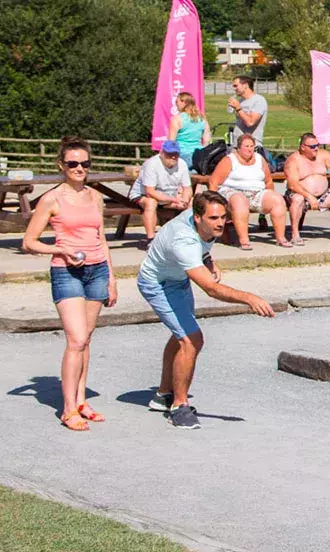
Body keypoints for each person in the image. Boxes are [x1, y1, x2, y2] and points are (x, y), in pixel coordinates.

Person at [138, 191, 277, 430]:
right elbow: (211, 289)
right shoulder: (183, 240)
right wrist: (249, 298)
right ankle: (179, 407)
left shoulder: (203, 225)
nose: (220, 222)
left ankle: (163, 395)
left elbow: (201, 248)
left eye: (223, 217)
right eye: (214, 218)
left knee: (182, 334)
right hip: (157, 284)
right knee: (192, 339)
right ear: (197, 217)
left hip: (178, 278)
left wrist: (207, 259)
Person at [21, 137, 118, 431]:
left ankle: (80, 400)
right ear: (61, 165)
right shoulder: (52, 199)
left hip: (97, 270)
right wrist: (61, 250)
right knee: (75, 340)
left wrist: (112, 279)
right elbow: (29, 242)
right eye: (73, 163)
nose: (79, 168)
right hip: (67, 272)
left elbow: (101, 238)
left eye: (85, 163)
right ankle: (67, 409)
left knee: (86, 339)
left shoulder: (95, 197)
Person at [208, 134, 288, 249]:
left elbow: (268, 181)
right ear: (238, 148)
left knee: (278, 200)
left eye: (252, 146)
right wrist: (213, 202)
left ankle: (281, 238)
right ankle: (244, 240)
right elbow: (214, 182)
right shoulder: (229, 160)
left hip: (256, 193)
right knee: (240, 201)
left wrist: (270, 194)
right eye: (246, 146)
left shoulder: (260, 159)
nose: (249, 149)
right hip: (232, 192)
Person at [283, 133, 330, 244]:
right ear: (303, 147)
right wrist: (309, 196)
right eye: (312, 146)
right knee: (298, 199)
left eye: (318, 145)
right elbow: (293, 184)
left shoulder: (323, 155)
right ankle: (295, 235)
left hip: (323, 195)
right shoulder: (293, 160)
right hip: (300, 194)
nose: (316, 148)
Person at [128, 140, 194, 244]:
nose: (173, 157)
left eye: (175, 154)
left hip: (169, 197)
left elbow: (187, 188)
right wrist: (174, 199)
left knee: (193, 203)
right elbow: (150, 192)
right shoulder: (151, 164)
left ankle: (189, 236)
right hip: (142, 195)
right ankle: (151, 239)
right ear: (162, 153)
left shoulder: (182, 164)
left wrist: (184, 200)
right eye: (169, 154)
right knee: (151, 202)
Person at [165, 91, 210, 162]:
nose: (176, 104)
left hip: (181, 155)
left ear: (184, 102)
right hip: (199, 156)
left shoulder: (177, 119)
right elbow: (206, 141)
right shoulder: (202, 119)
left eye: (177, 102)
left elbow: (171, 142)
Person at [227, 75, 268, 146]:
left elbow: (250, 122)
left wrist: (238, 108)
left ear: (245, 85)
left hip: (251, 147)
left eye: (236, 86)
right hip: (237, 145)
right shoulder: (241, 101)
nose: (234, 89)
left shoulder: (259, 100)